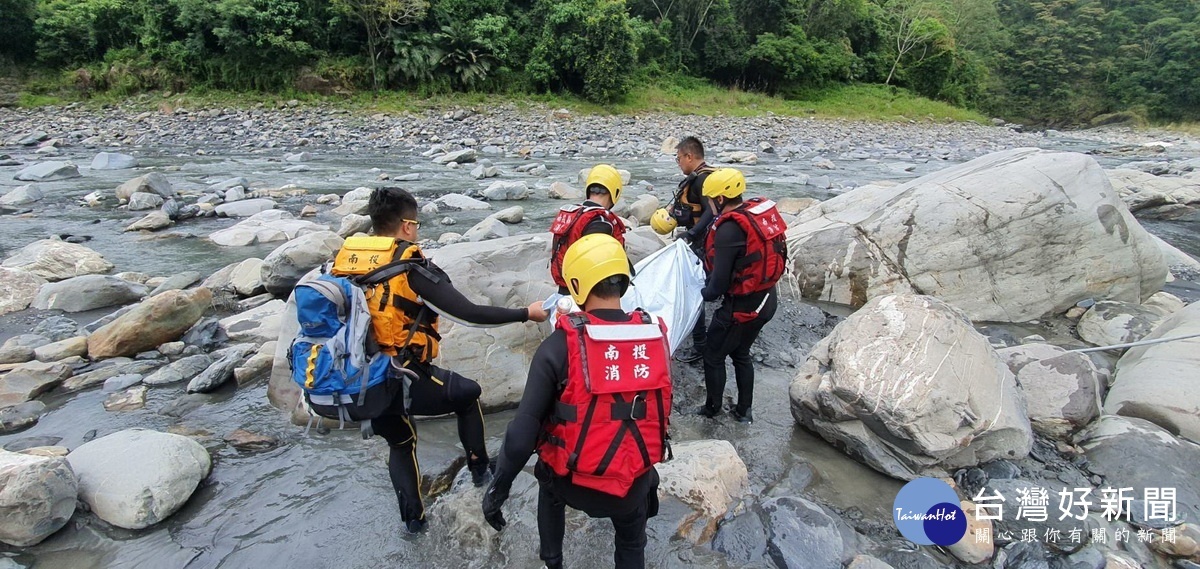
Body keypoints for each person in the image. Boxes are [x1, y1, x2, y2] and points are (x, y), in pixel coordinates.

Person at [340, 187, 549, 534]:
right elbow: (468, 313)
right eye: (416, 224)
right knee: (468, 393)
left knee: (400, 441)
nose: (417, 230)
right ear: (406, 226)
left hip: (355, 375)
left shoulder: (346, 260)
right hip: (398, 374)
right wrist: (526, 313)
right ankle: (481, 472)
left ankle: (414, 525)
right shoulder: (410, 266)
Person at [482, 234, 671, 569]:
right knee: (631, 542)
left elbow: (523, 432)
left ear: (575, 285)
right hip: (632, 487)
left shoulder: (559, 346)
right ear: (623, 282)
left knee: (547, 478)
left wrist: (498, 491)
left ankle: (553, 561)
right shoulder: (654, 336)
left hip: (571, 483)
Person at [693, 168, 787, 424]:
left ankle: (712, 410)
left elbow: (717, 287)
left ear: (720, 199)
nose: (709, 205)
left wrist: (699, 293)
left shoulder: (729, 229)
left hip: (741, 310)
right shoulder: (752, 216)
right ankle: (744, 411)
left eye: (710, 200)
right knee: (741, 353)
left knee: (713, 355)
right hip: (767, 300)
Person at [666, 136, 716, 364]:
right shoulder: (708, 176)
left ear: (689, 156)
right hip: (706, 242)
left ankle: (700, 345)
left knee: (692, 290)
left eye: (678, 159)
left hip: (703, 244)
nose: (678, 164)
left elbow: (711, 211)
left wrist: (692, 234)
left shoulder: (701, 180)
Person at [548, 163, 626, 296]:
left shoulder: (574, 213)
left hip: (564, 289)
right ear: (615, 192)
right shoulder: (601, 222)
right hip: (587, 295)